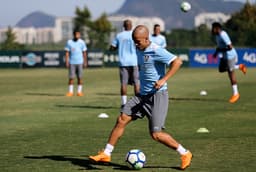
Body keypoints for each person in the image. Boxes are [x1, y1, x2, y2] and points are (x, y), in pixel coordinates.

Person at [89, 25, 192, 170]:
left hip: (157, 96)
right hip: (142, 95)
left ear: (146, 39)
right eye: (134, 41)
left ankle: (185, 153)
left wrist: (163, 80)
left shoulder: (156, 50)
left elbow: (178, 62)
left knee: (156, 134)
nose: (136, 44)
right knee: (121, 119)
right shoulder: (138, 48)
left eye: (138, 41)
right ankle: (106, 153)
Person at [212, 22, 247, 103]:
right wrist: (216, 53)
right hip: (224, 57)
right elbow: (220, 46)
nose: (212, 30)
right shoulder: (217, 36)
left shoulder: (223, 35)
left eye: (213, 28)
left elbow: (230, 47)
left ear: (217, 28)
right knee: (221, 69)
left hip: (230, 56)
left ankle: (236, 94)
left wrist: (220, 50)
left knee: (231, 74)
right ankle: (240, 67)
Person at [109, 19, 140, 107]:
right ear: (131, 26)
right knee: (137, 82)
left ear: (123, 26)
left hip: (123, 62)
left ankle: (124, 103)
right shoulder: (135, 34)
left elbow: (113, 47)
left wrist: (112, 48)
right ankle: (138, 102)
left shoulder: (119, 36)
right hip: (134, 61)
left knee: (124, 83)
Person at [65, 28, 87, 97]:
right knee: (71, 78)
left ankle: (79, 92)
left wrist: (85, 61)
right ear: (74, 35)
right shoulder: (69, 42)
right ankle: (70, 92)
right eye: (76, 34)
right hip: (72, 62)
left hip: (80, 62)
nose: (78, 35)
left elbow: (84, 52)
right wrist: (67, 61)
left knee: (80, 77)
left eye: (79, 34)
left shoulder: (82, 42)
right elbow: (67, 53)